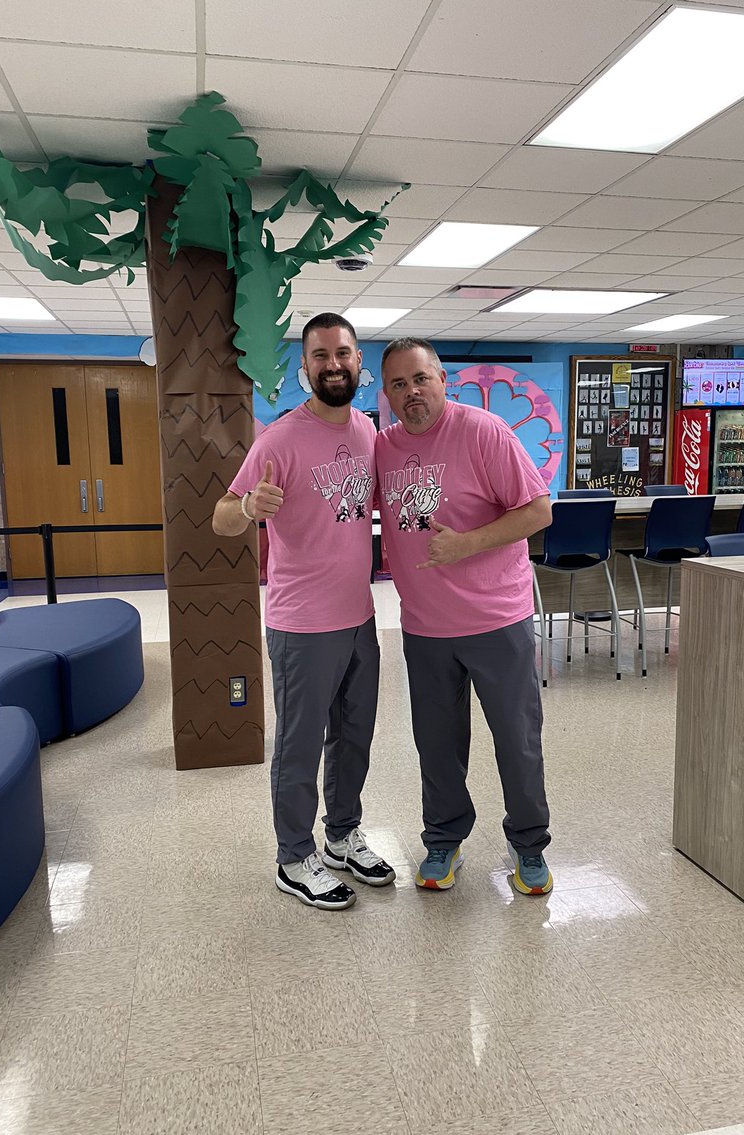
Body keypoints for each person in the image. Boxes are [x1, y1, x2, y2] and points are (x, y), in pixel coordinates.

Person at [212, 313, 394, 910]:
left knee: (354, 736)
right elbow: (221, 516)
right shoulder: (280, 439)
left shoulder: (367, 431)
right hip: (302, 624)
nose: (333, 364)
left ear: (359, 362)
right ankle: (294, 857)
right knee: (300, 745)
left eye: (343, 353)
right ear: (305, 369)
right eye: (320, 355)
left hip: (359, 617)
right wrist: (249, 507)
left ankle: (342, 836)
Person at [377, 338, 554, 895]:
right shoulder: (383, 448)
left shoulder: (484, 431)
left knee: (516, 740)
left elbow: (538, 510)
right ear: (387, 395)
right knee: (436, 745)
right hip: (425, 627)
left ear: (442, 380)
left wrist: (467, 544)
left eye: (420, 379)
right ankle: (443, 837)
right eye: (399, 384)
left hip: (496, 620)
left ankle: (529, 842)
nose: (412, 392)